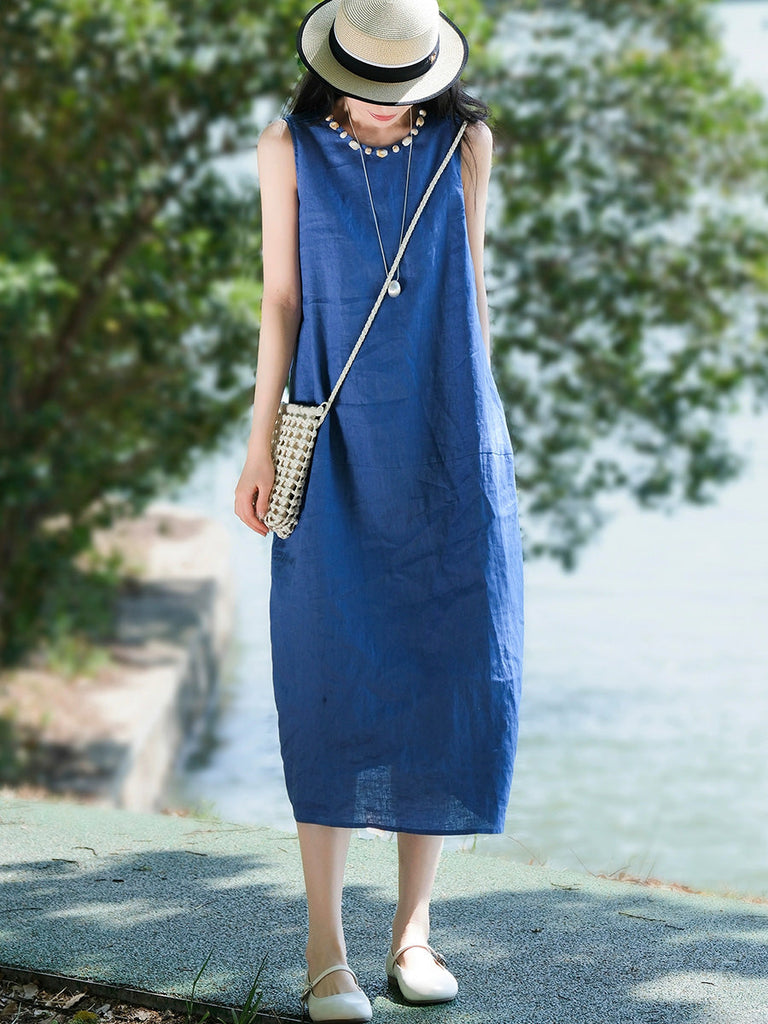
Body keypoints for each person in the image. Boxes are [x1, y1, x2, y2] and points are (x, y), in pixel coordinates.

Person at [234, 0, 524, 1019]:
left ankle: (414, 933)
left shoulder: (464, 144)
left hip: (448, 437)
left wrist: (487, 445)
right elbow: (281, 301)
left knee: (449, 670)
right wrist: (259, 442)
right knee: (326, 674)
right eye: (366, 82)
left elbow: (471, 296)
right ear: (334, 63)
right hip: (336, 439)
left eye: (401, 85)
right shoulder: (287, 147)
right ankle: (327, 945)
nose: (380, 103)